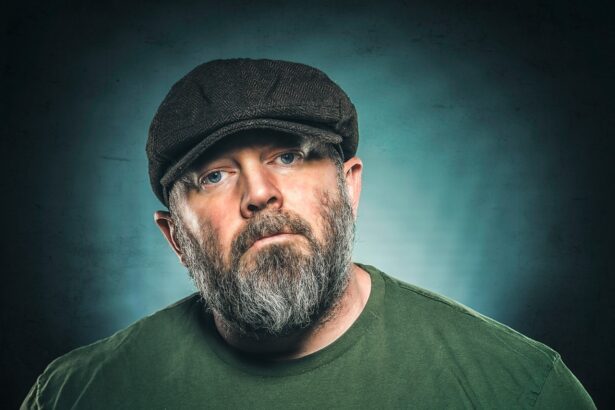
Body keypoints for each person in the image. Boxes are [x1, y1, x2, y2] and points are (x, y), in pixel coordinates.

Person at [22, 58, 595, 409]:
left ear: (349, 187)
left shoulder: (519, 388)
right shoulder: (74, 396)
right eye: (214, 176)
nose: (259, 193)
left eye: (289, 156)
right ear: (175, 237)